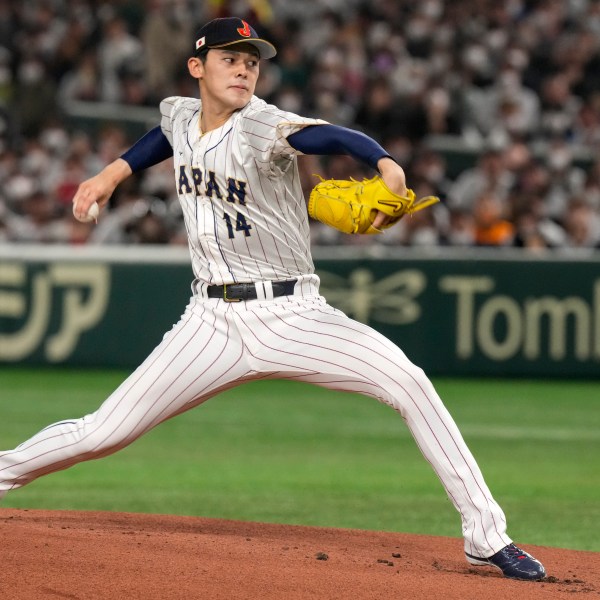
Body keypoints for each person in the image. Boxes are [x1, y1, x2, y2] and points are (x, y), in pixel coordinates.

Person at [0, 18, 545, 581]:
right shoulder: (183, 116)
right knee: (103, 432)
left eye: (252, 62)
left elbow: (328, 137)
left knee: (408, 381)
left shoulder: (262, 125)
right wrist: (110, 173)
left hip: (292, 315)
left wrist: (385, 164)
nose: (242, 70)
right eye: (229, 59)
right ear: (197, 68)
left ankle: (486, 536)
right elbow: (164, 136)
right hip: (209, 322)